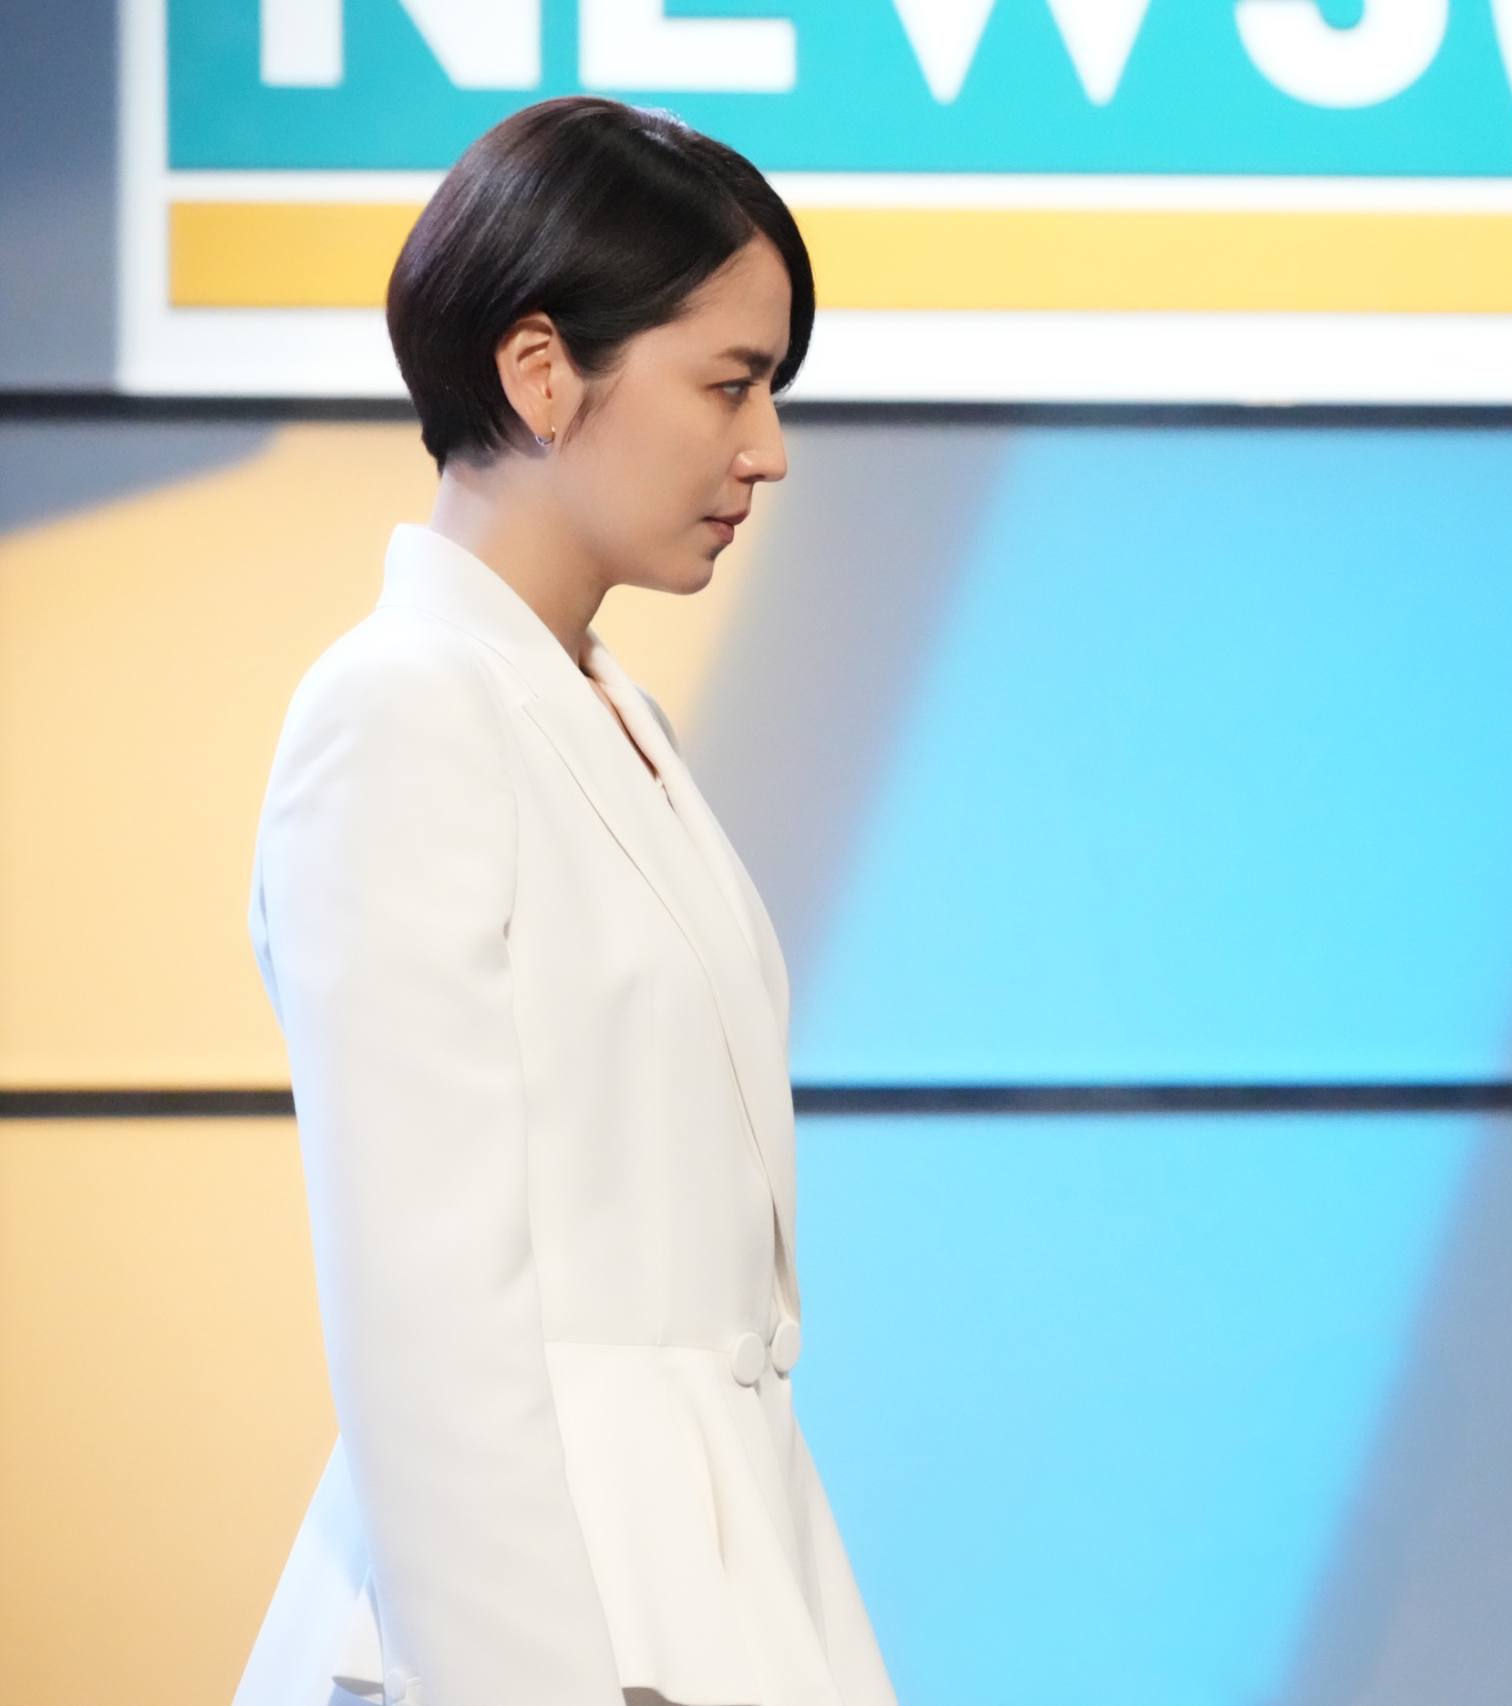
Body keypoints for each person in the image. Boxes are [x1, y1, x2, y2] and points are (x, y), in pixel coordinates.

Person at [233, 97, 898, 1706]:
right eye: (730, 383)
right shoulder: (404, 707)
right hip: (540, 1622)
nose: (767, 449)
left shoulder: (608, 714)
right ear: (541, 371)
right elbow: (427, 1322)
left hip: (718, 1583)